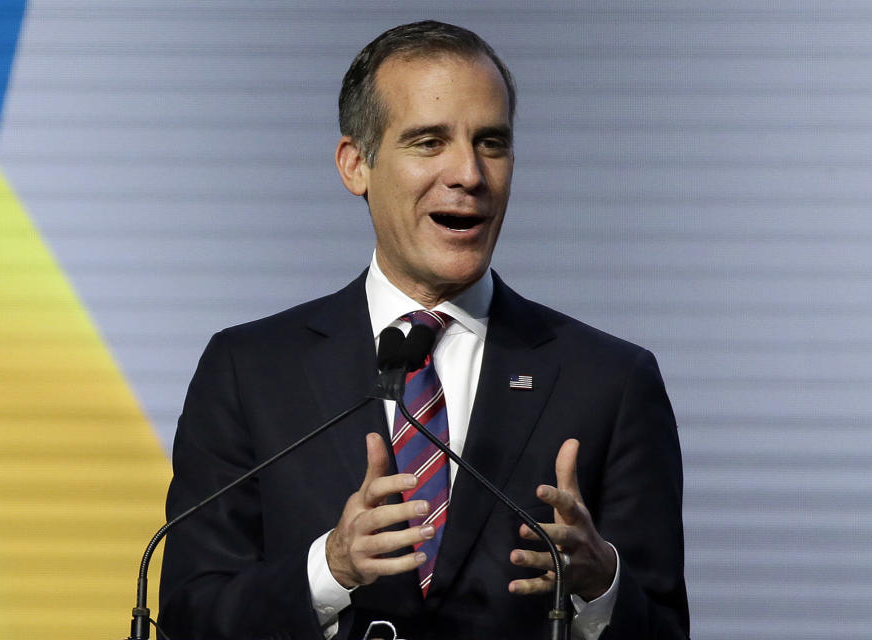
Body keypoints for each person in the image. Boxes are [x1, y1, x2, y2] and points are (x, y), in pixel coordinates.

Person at [159, 20, 689, 640]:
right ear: (356, 164)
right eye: (429, 142)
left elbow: (663, 628)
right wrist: (328, 570)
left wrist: (601, 589)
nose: (469, 173)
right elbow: (190, 617)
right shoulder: (249, 371)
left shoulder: (610, 382)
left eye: (491, 142)